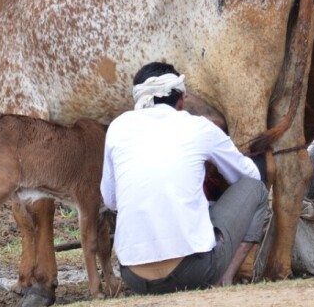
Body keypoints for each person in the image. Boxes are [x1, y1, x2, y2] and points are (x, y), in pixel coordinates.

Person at [100, 61, 270, 294]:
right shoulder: (199, 126)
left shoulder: (117, 128)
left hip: (134, 276)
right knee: (256, 188)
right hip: (193, 273)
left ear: (139, 100)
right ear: (181, 100)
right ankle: (224, 281)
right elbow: (248, 175)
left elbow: (111, 201)